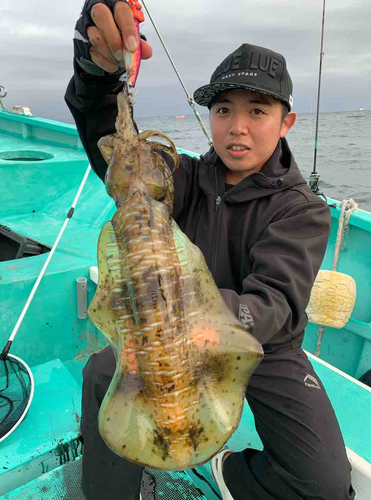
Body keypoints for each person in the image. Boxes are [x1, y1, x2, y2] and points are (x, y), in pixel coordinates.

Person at [65, 1, 356, 499]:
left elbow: (277, 305)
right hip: (164, 332)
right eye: (224, 111)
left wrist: (195, 313)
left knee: (324, 484)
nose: (237, 127)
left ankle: (232, 472)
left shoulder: (301, 208)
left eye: (257, 111)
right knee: (101, 375)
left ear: (286, 122)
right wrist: (97, 71)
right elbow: (115, 152)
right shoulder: (185, 178)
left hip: (261, 345)